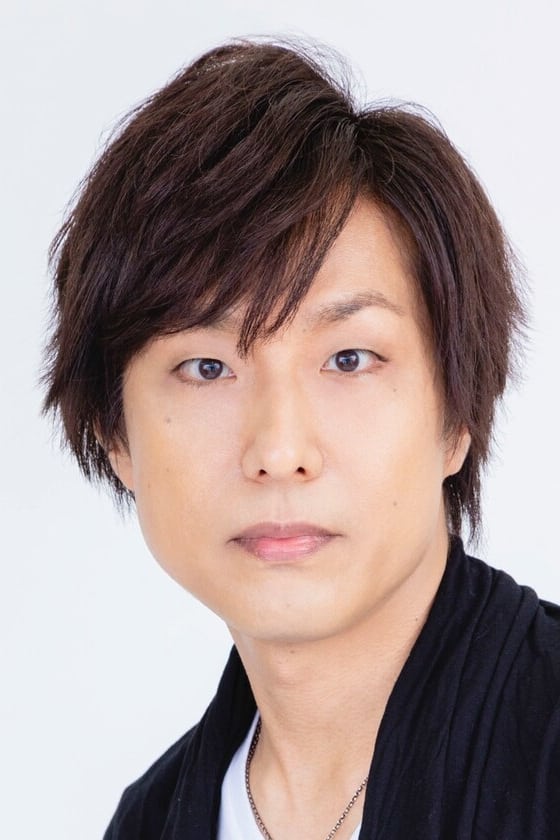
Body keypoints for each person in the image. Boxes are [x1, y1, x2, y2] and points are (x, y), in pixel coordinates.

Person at [42, 38, 559, 840]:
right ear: (116, 436)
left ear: (457, 416)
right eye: (207, 367)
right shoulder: (150, 822)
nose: (280, 451)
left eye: (349, 359)